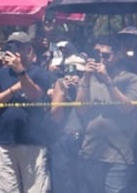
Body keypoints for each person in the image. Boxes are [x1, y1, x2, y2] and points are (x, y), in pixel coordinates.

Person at [0, 31, 53, 193]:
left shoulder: (40, 73)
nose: (15, 50)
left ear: (29, 50)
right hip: (4, 141)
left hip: (33, 142)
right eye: (11, 46)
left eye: (19, 47)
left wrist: (21, 72)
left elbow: (36, 95)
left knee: (36, 189)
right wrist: (13, 89)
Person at [77, 35, 137, 193]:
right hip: (90, 151)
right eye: (98, 55)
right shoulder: (89, 80)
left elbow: (126, 108)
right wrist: (86, 78)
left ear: (118, 55)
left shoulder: (131, 79)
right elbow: (81, 108)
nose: (102, 59)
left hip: (118, 154)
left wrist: (107, 80)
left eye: (106, 55)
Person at [49, 54, 87, 193]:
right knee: (63, 183)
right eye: (71, 72)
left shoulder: (90, 83)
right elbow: (55, 115)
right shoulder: (60, 83)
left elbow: (84, 111)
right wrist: (63, 92)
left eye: (78, 73)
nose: (74, 76)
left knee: (83, 182)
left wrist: (79, 88)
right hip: (63, 138)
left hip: (85, 138)